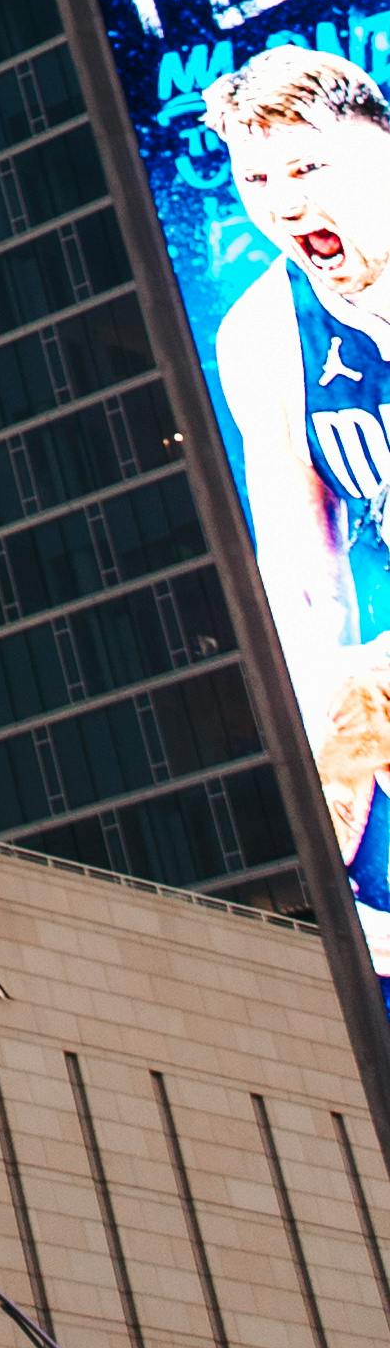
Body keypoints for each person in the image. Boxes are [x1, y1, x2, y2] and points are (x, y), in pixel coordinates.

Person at [203, 46, 390, 920]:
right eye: (257, 176)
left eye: (308, 166)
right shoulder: (266, 331)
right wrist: (330, 735)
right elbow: (303, 578)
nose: (284, 202)